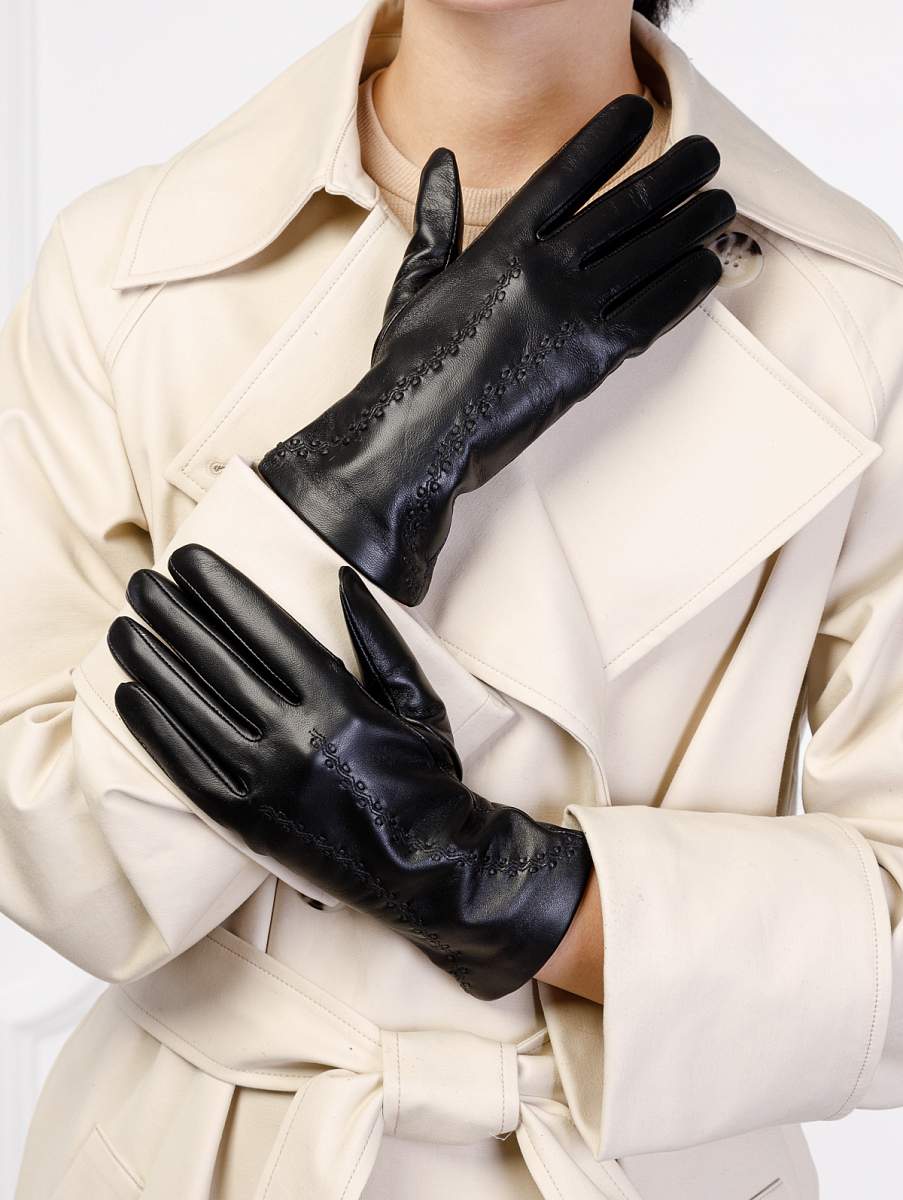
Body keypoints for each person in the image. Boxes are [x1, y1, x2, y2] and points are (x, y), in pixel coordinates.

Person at [2, 0, 902, 1197]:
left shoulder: (863, 324)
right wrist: (363, 473)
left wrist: (492, 882)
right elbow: (48, 858)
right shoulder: (128, 270)